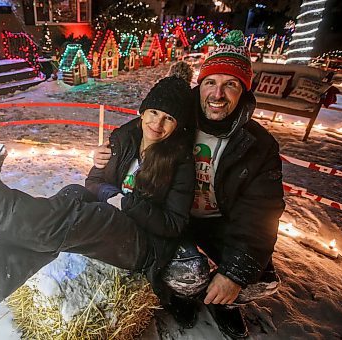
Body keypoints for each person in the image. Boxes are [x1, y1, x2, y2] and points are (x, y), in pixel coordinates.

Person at [93, 30, 285, 339]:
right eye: (211, 82)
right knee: (188, 273)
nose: (217, 94)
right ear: (200, 85)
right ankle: (182, 294)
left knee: (261, 278)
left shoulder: (258, 146)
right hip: (170, 212)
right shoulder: (181, 115)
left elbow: (261, 214)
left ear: (245, 92)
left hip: (218, 221)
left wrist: (232, 275)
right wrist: (110, 149)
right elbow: (144, 123)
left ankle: (224, 302)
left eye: (230, 84)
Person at [0, 75, 197, 310]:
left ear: (177, 126)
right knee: (73, 193)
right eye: (154, 112)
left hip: (146, 246)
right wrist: (114, 197)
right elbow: (94, 182)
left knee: (97, 216)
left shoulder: (180, 162)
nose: (158, 123)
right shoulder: (125, 139)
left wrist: (126, 204)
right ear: (143, 112)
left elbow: (173, 224)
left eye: (169, 119)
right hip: (118, 212)